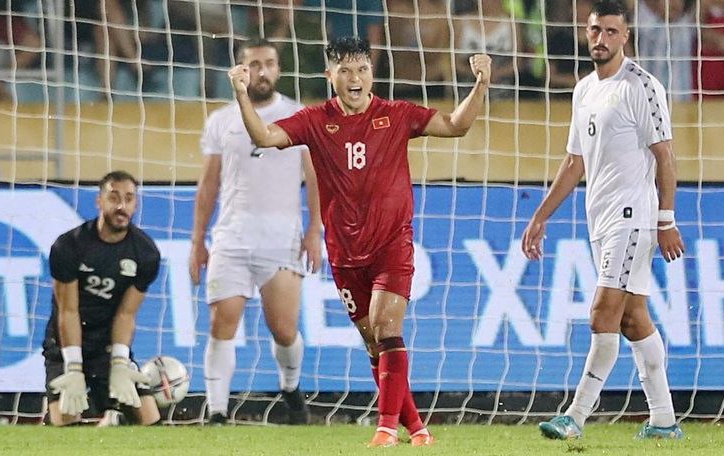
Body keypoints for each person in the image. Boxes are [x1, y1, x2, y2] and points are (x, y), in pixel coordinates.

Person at [228, 36, 491, 446]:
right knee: (373, 342)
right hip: (346, 251)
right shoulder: (315, 120)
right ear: (330, 75)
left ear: (372, 73)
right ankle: (417, 428)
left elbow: (457, 125)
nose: (355, 78)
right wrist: (241, 94)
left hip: (392, 243)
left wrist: (480, 86)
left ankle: (385, 428)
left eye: (362, 69)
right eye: (345, 71)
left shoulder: (397, 115)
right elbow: (263, 136)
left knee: (387, 327)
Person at [521, 0, 685, 440]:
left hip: (634, 217)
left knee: (601, 315)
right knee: (634, 320)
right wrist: (541, 216)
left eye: (612, 32)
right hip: (600, 218)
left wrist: (666, 220)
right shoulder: (584, 89)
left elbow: (665, 157)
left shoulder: (643, 87)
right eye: (596, 31)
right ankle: (665, 421)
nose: (602, 39)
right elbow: (574, 162)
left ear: (625, 36)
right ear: (586, 32)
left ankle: (574, 417)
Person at [189, 38, 322, 425]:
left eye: (269, 63)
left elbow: (315, 180)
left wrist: (315, 230)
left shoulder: (298, 116)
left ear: (279, 69)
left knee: (284, 330)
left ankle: (291, 387)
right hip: (231, 238)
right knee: (220, 323)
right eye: (253, 64)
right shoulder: (220, 120)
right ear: (240, 70)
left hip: (282, 240)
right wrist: (198, 240)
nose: (262, 71)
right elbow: (208, 184)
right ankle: (216, 412)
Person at [42, 171, 161, 427]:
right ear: (99, 202)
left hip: (107, 345)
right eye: (114, 197)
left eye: (129, 199)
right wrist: (73, 367)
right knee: (66, 423)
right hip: (66, 343)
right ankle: (52, 418)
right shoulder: (69, 246)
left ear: (135, 204)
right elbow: (68, 312)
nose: (121, 206)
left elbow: (126, 314)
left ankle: (113, 420)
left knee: (149, 419)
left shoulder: (145, 253)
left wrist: (120, 362)